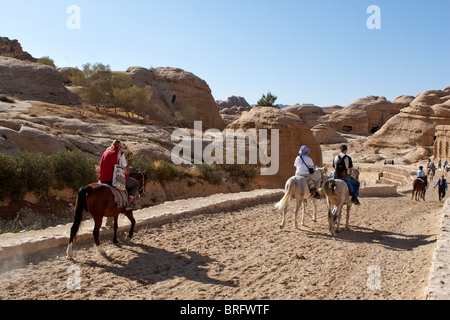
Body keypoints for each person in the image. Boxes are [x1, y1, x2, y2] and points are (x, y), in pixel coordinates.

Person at [99, 140, 139, 210]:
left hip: (102, 178)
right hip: (113, 178)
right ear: (119, 147)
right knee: (135, 183)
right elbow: (124, 169)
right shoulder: (120, 154)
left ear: (112, 145)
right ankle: (128, 204)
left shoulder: (105, 152)